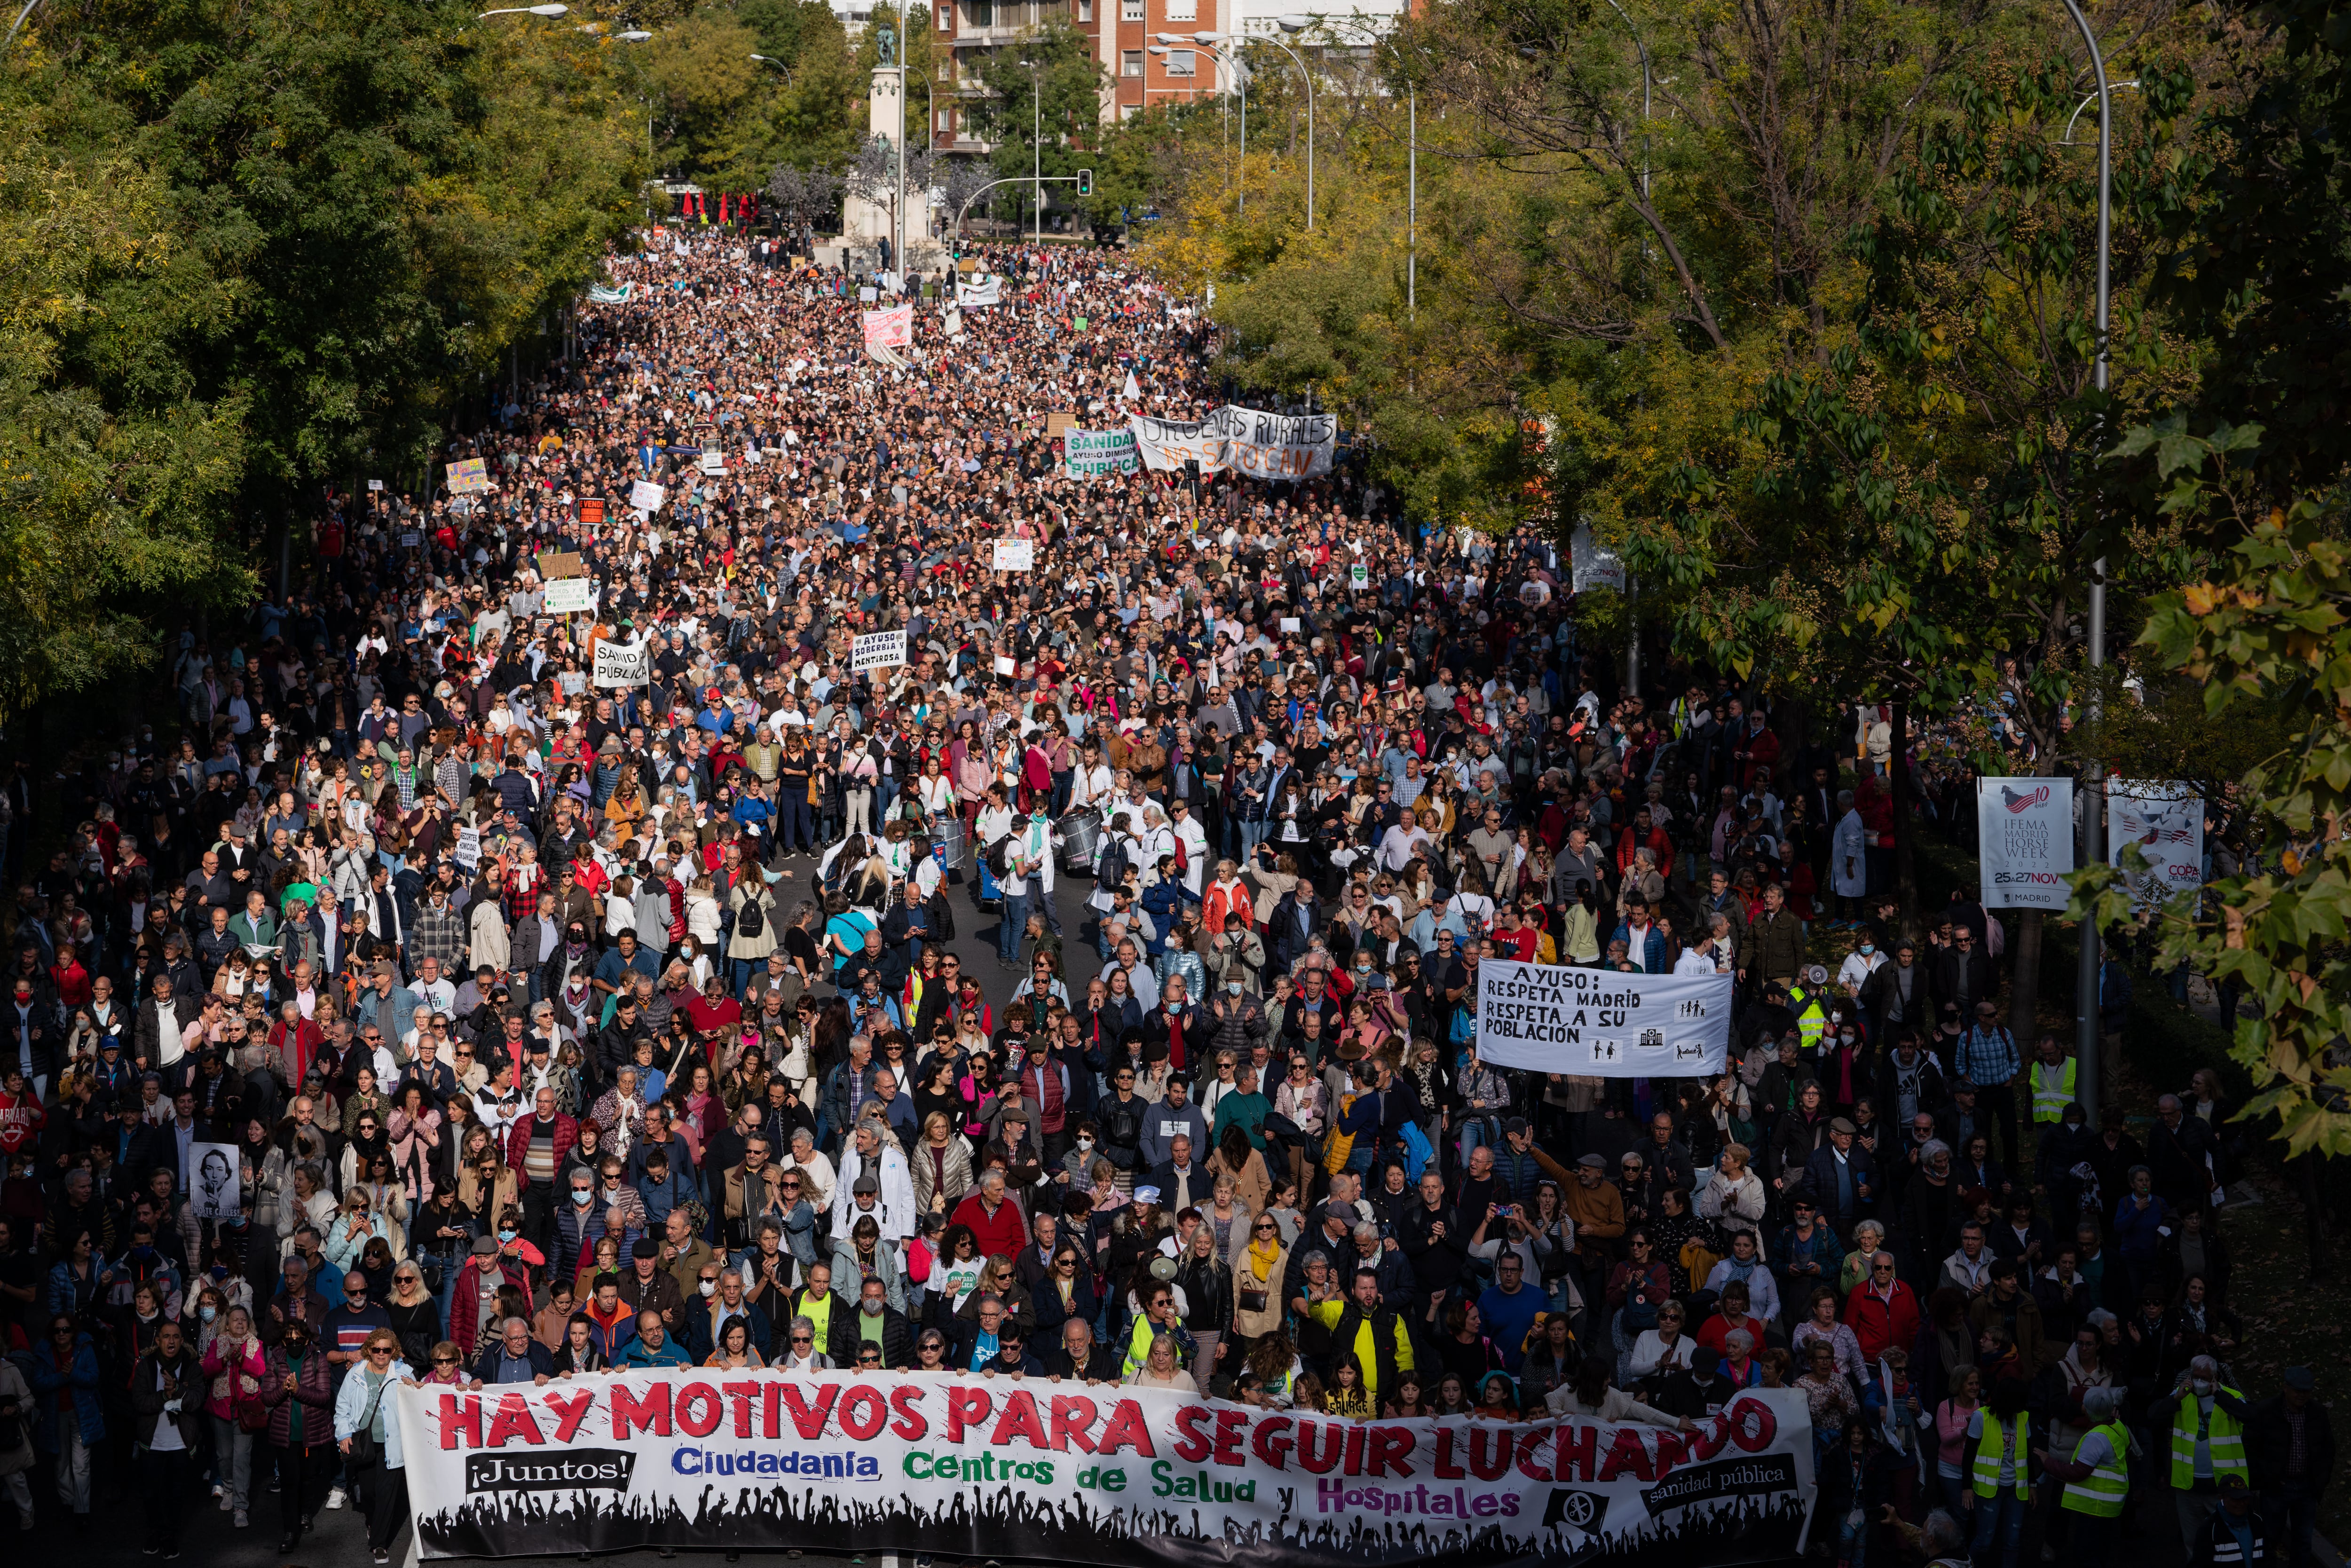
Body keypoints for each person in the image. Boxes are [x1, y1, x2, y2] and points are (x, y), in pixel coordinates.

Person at [2154, 1355, 2255, 1550]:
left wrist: (2220, 1396)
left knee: (2226, 1542)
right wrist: (2176, 1398)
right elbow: (2154, 1416)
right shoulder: (2182, 1395)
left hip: (2223, 1486)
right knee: (2193, 1543)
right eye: (2196, 1376)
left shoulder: (2232, 1397)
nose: (2200, 1381)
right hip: (2188, 1486)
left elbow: (2252, 1417)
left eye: (2205, 1378)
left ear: (2215, 1378)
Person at [332, 1328, 411, 1565]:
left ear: (393, 1352)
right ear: (369, 1350)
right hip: (364, 1443)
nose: (381, 1354)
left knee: (387, 1494)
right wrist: (344, 1434)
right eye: (376, 1349)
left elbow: (418, 1402)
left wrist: (413, 1387)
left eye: (386, 1350)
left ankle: (379, 1544)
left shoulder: (405, 1374)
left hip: (392, 1444)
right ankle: (372, 1521)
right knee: (368, 1493)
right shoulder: (355, 1373)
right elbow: (342, 1407)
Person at [129, 1317, 204, 1557]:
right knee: (151, 1492)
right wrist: (164, 1396)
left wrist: (179, 1390)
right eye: (166, 1337)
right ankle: (155, 1532)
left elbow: (197, 1400)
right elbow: (139, 1402)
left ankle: (170, 1536)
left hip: (180, 1444)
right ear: (158, 1341)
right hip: (153, 1444)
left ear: (182, 1341)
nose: (171, 1341)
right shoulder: (146, 1366)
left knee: (176, 1492)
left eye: (175, 1337)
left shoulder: (192, 1366)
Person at [2246, 1366, 2334, 1568]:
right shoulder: (2266, 1411)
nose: (2302, 1396)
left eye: (2307, 1391)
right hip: (2276, 1488)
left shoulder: (2317, 1413)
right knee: (2269, 1539)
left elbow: (2328, 1449)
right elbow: (2250, 1447)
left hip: (2307, 1488)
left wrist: (2319, 1481)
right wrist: (2268, 1478)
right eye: (2298, 1391)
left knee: (2303, 1541)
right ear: (2285, 1388)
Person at [2040, 1384, 2132, 1568]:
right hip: (2110, 1507)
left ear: (2088, 1411)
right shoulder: (2117, 1426)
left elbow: (2076, 1473)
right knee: (2101, 1553)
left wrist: (2047, 1462)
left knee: (2086, 1556)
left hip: (2095, 1509)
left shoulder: (2096, 1438)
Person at [1964, 1376, 2033, 1568]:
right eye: (2020, 1402)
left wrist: (2032, 1485)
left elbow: (2028, 1452)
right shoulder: (1981, 1417)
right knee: (1984, 1542)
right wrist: (1967, 1488)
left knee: (2013, 1542)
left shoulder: (2023, 1416)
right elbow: (1968, 1454)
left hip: (2016, 1490)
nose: (2023, 1406)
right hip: (1989, 1491)